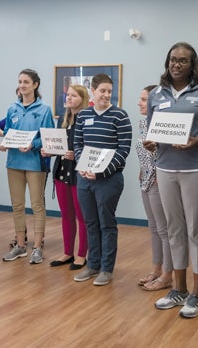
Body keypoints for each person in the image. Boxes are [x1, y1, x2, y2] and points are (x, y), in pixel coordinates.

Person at [144, 42, 198, 318]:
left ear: (193, 65)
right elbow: (151, 130)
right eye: (172, 59)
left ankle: (197, 294)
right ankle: (178, 289)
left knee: (196, 231)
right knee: (173, 230)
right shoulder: (156, 94)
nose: (176, 64)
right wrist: (151, 143)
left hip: (197, 170)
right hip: (166, 168)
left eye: (183, 61)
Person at [72, 73, 132, 286]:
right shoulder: (83, 115)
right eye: (102, 91)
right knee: (90, 223)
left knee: (106, 224)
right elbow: (77, 144)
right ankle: (92, 265)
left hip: (109, 180)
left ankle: (107, 269)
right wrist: (84, 165)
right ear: (92, 92)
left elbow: (124, 149)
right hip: (85, 179)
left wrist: (101, 171)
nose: (106, 95)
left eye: (109, 91)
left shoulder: (120, 116)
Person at [1, 69, 54, 265]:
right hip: (14, 162)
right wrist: (5, 143)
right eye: (20, 81)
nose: (22, 85)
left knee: (37, 205)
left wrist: (33, 144)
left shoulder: (44, 109)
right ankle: (21, 246)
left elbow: (48, 137)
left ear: (35, 85)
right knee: (17, 205)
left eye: (26, 82)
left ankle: (38, 247)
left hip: (34, 163)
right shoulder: (12, 108)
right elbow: (7, 131)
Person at [46, 84, 89, 270]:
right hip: (62, 171)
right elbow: (57, 143)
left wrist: (76, 155)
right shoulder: (63, 118)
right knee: (66, 216)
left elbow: (89, 146)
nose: (69, 98)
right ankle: (67, 253)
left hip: (78, 173)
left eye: (73, 95)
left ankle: (81, 255)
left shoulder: (87, 118)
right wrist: (49, 150)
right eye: (68, 95)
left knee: (82, 216)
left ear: (83, 99)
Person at [136, 84, 173, 291]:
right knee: (153, 228)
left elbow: (168, 152)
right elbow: (144, 152)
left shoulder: (163, 123)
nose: (139, 103)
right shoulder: (144, 122)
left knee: (164, 229)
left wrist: (160, 174)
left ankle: (167, 275)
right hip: (145, 179)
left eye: (143, 99)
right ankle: (156, 269)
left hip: (160, 180)